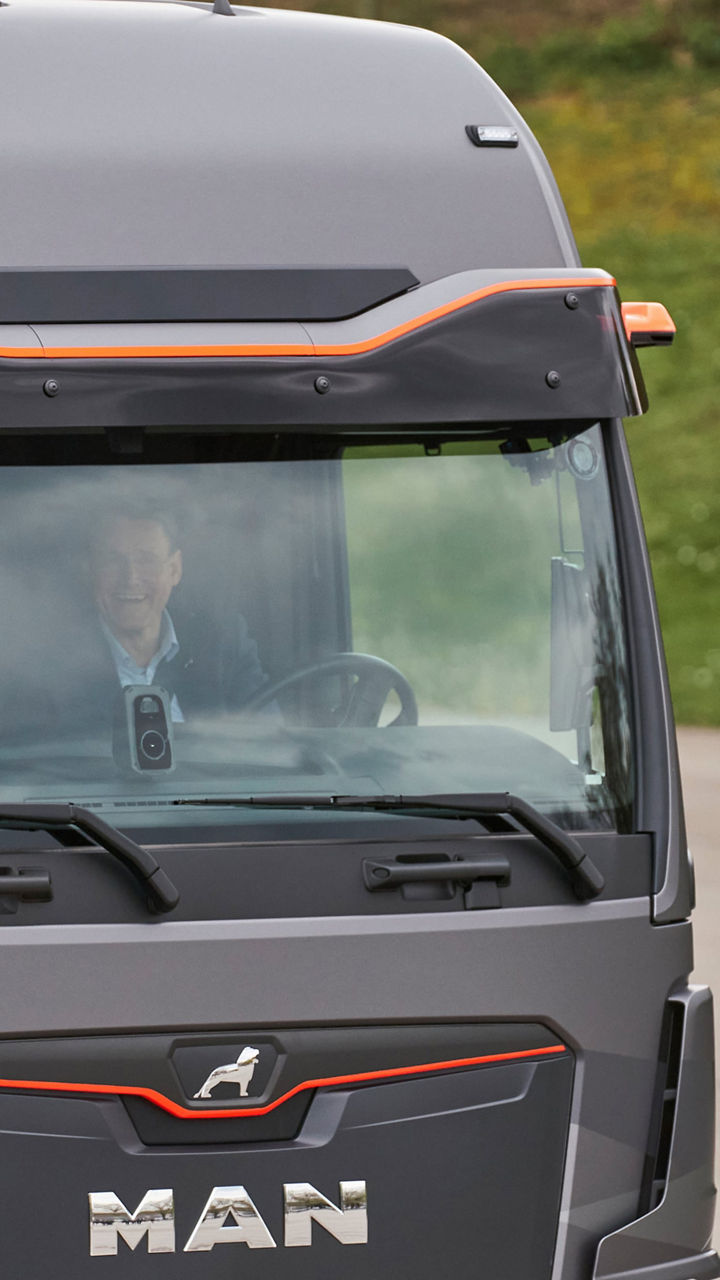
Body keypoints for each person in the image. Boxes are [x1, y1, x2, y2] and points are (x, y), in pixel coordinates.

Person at [51, 501, 275, 733]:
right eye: (112, 561)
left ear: (174, 570)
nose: (130, 578)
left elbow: (271, 739)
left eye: (146, 560)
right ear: (90, 571)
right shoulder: (52, 664)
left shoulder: (222, 643)